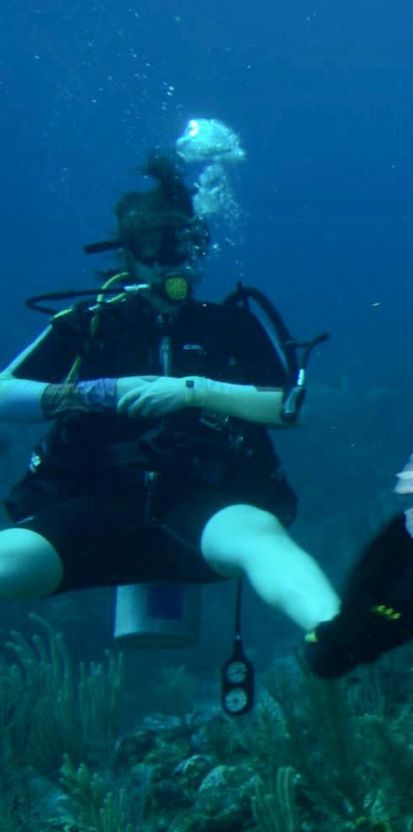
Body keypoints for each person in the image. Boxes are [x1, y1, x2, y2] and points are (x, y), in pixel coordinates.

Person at [0, 153, 342, 635]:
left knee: (260, 536)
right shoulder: (90, 322)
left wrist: (192, 390)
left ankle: (334, 634)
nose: (172, 262)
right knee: (8, 556)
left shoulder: (231, 326)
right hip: (91, 507)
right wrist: (96, 392)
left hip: (206, 506)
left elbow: (286, 407)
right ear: (128, 253)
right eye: (154, 245)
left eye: (186, 245)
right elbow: (3, 392)